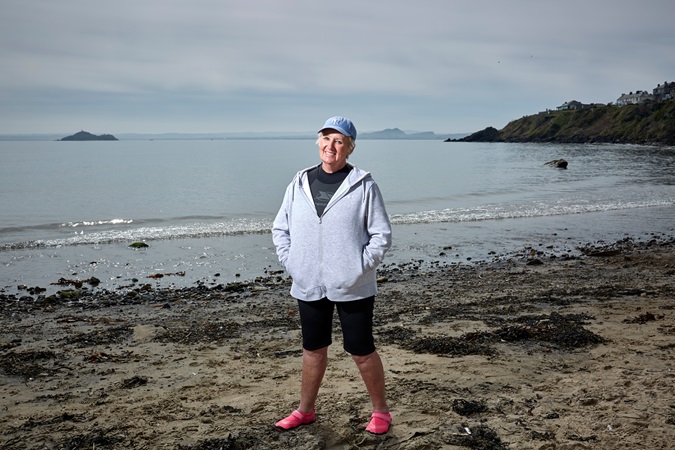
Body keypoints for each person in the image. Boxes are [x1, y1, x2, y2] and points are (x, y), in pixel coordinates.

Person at [272, 116, 393, 435]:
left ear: (350, 148)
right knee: (312, 349)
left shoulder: (364, 184)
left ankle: (381, 412)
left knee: (362, 350)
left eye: (339, 141)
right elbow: (280, 227)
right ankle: (305, 411)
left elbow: (381, 234)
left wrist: (358, 267)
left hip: (354, 285)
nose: (331, 146)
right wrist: (292, 262)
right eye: (326, 138)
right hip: (308, 282)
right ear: (318, 142)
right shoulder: (298, 182)